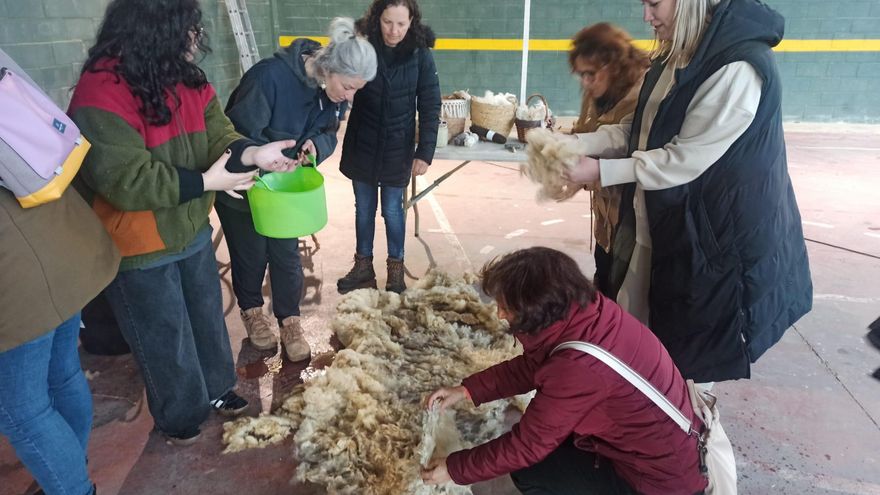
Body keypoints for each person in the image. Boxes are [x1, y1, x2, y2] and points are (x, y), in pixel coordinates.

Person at [68, 0, 300, 445]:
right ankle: (179, 414)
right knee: (164, 333)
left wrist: (252, 152)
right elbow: (127, 180)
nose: (196, 38)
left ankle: (216, 389)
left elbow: (219, 132)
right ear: (154, 29)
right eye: (188, 28)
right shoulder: (101, 93)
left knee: (206, 316)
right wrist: (208, 179)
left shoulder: (185, 79)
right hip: (138, 242)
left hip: (190, 225)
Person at [558, 0, 812, 382]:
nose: (646, 16)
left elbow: (683, 159)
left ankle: (689, 433)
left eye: (655, 3)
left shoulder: (738, 67)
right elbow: (639, 127)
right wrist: (577, 144)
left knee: (687, 367)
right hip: (661, 225)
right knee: (643, 343)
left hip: (715, 244)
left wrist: (599, 170)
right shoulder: (676, 56)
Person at [420, 247, 707, 495]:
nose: (499, 314)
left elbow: (526, 446)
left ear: (534, 312)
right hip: (670, 453)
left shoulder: (578, 369)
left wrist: (454, 469)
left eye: (506, 308)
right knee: (555, 441)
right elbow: (537, 364)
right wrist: (467, 390)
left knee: (531, 469)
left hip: (658, 484)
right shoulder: (589, 312)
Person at [221, 17, 377, 362]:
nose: (349, 97)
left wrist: (315, 146)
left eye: (356, 90)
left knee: (286, 254)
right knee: (250, 254)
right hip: (244, 187)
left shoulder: (330, 93)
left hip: (284, 190)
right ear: (330, 69)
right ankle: (252, 313)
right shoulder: (268, 78)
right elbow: (231, 136)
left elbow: (329, 131)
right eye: (349, 87)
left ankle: (289, 320)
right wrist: (263, 158)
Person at [0, 49, 119, 495]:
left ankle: (71, 482)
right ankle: (70, 460)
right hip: (64, 244)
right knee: (61, 373)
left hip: (16, 278)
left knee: (20, 409)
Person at [336, 0, 441, 294]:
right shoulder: (362, 47)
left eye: (401, 24)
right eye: (387, 22)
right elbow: (340, 86)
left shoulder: (421, 55)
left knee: (393, 211)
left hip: (398, 146)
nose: (393, 31)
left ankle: (396, 271)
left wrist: (425, 151)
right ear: (377, 18)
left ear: (412, 23)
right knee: (364, 209)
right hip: (363, 142)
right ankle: (363, 267)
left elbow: (431, 104)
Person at [569, 23, 650, 296]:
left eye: (590, 74)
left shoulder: (644, 91)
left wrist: (587, 163)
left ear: (613, 65)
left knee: (623, 292)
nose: (585, 82)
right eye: (580, 75)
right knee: (604, 279)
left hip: (633, 218)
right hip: (606, 219)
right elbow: (586, 132)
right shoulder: (596, 92)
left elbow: (627, 141)